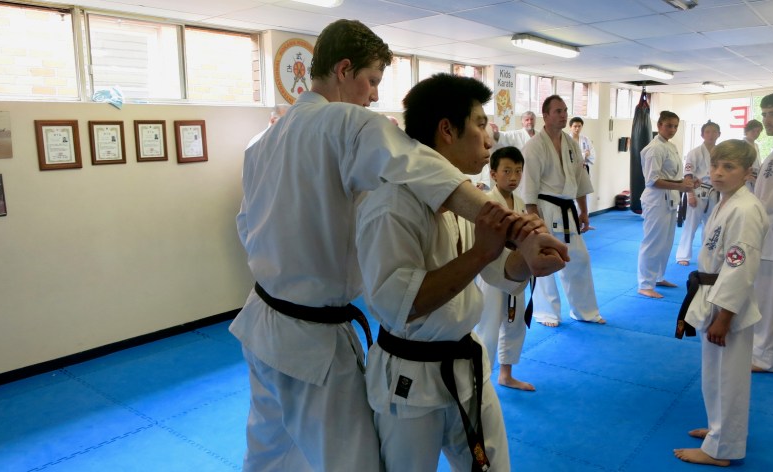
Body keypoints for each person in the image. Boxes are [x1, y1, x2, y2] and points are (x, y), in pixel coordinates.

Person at [230, 19, 567, 472]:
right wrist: (516, 230)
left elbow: (245, 226)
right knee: (355, 466)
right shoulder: (345, 124)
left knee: (270, 456)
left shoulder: (261, 141)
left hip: (262, 320)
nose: (373, 96)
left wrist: (510, 245)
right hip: (312, 343)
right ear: (344, 70)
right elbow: (415, 163)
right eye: (371, 81)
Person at [358, 73, 530, 471]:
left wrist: (529, 256)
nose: (489, 140)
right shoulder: (392, 206)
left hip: (467, 364)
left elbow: (499, 270)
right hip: (411, 378)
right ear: (447, 130)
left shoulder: (465, 199)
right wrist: (481, 253)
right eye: (480, 124)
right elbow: (401, 304)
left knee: (493, 467)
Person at [673, 139, 769, 467]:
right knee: (714, 374)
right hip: (713, 294)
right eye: (715, 165)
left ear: (747, 172)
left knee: (728, 378)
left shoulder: (745, 210)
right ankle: (719, 431)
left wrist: (725, 317)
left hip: (729, 302)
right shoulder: (726, 201)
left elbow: (741, 268)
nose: (717, 172)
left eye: (728, 167)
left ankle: (723, 448)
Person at [523, 95, 604, 327]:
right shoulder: (534, 146)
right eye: (558, 111)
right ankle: (546, 312)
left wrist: (584, 211)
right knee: (546, 262)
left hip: (567, 210)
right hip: (544, 210)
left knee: (580, 259)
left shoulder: (571, 144)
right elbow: (529, 188)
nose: (563, 115)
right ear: (545, 115)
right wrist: (534, 221)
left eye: (565, 110)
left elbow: (580, 180)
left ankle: (585, 311)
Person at [475, 146, 536, 391]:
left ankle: (506, 375)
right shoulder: (487, 203)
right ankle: (481, 379)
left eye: (518, 171)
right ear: (493, 174)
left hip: (516, 271)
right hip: (491, 272)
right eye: (507, 171)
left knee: (515, 322)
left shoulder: (519, 202)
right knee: (488, 326)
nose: (513, 177)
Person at [637, 111, 695, 299]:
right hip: (656, 200)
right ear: (659, 125)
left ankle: (658, 277)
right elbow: (652, 180)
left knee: (666, 242)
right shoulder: (654, 149)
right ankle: (645, 284)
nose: (672, 129)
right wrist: (681, 186)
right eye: (669, 125)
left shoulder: (671, 146)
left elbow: (673, 176)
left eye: (675, 126)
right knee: (653, 242)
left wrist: (688, 183)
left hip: (670, 199)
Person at [752, 90, 773, 373]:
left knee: (771, 302)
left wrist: (755, 223)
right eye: (764, 114)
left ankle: (767, 358)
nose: (766, 120)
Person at [676, 121, 721, 266]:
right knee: (691, 224)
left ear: (719, 134)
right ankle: (683, 255)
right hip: (697, 191)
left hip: (715, 192)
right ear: (702, 135)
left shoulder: (721, 153)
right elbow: (688, 175)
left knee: (711, 225)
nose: (711, 135)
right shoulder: (694, 153)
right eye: (708, 132)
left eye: (714, 132)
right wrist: (690, 195)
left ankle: (707, 255)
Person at [744, 119, 763, 191]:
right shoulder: (741, 145)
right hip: (745, 177)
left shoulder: (756, 145)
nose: (756, 134)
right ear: (746, 132)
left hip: (755, 177)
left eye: (758, 132)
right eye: (753, 131)